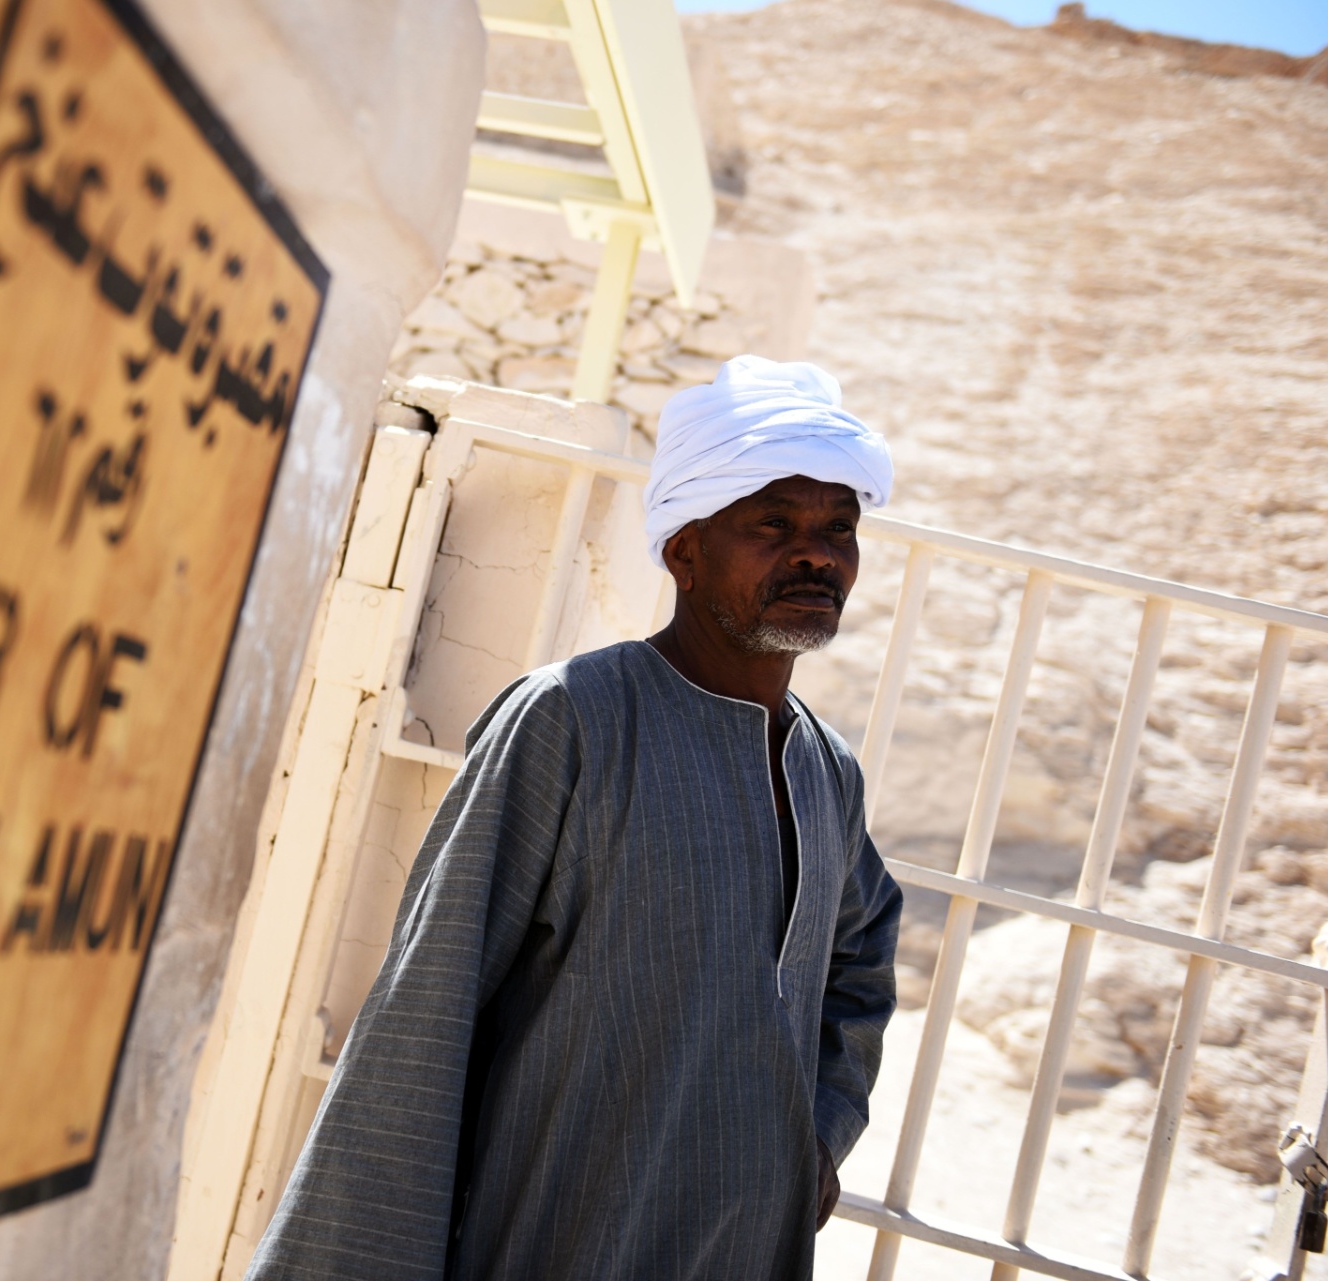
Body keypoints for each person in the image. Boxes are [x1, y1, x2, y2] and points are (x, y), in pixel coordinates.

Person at [247, 355, 904, 1281]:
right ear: (685, 547)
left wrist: (816, 1138)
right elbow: (426, 1007)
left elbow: (862, 954)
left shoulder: (825, 770)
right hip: (562, 1235)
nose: (818, 554)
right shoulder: (574, 719)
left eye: (840, 528)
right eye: (774, 524)